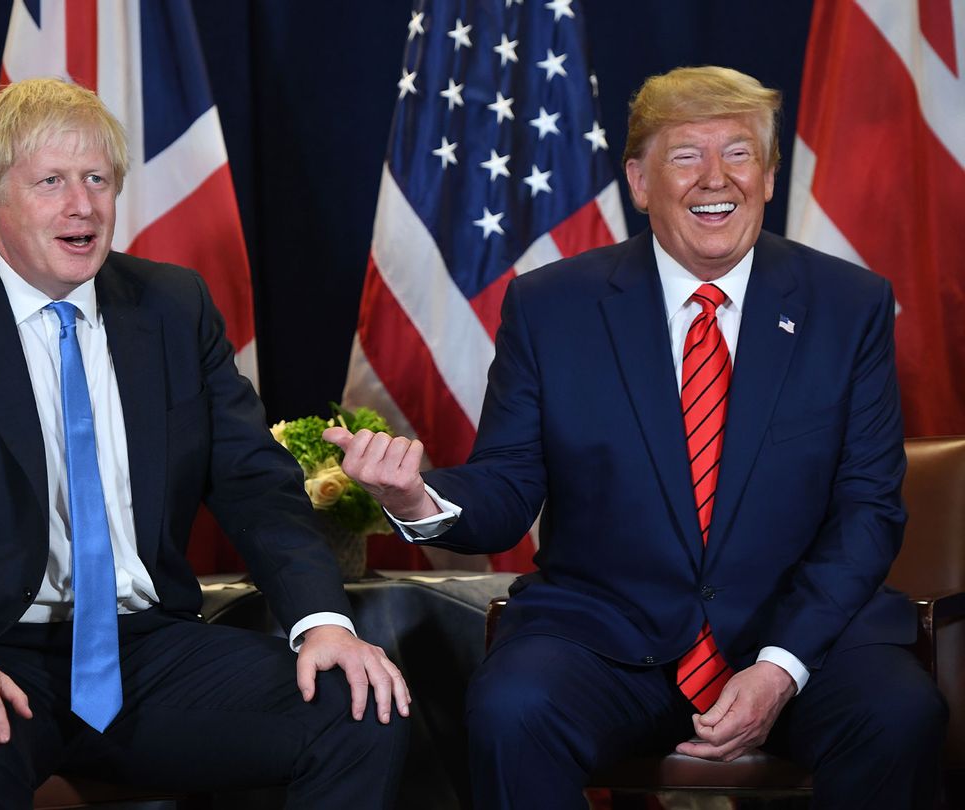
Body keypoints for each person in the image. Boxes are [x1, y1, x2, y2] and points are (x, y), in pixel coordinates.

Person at [326, 66, 946, 809]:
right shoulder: (552, 307)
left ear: (771, 175)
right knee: (512, 710)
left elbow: (868, 510)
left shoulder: (850, 306)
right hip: (606, 639)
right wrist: (416, 495)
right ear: (640, 181)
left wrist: (780, 665)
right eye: (685, 155)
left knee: (899, 715)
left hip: (799, 635)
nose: (716, 178)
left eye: (741, 153)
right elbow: (507, 484)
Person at [0, 77, 408, 809]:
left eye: (97, 179)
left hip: (148, 651)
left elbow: (256, 485)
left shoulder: (172, 306)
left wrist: (324, 624)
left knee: (358, 708)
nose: (82, 205)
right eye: (51, 181)